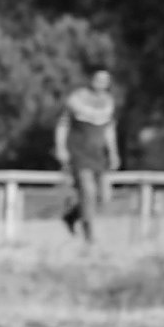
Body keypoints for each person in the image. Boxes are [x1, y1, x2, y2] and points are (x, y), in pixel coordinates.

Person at [54, 66, 120, 243]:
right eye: (98, 78)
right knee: (88, 192)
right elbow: (63, 124)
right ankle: (89, 237)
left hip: (98, 155)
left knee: (103, 197)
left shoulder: (108, 102)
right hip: (79, 152)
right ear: (91, 78)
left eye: (105, 80)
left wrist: (113, 152)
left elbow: (109, 129)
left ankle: (72, 216)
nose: (101, 82)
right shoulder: (76, 99)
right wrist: (60, 147)